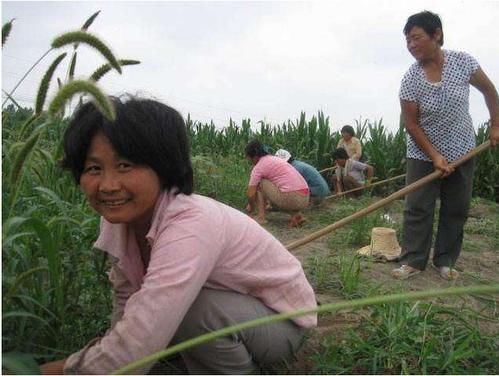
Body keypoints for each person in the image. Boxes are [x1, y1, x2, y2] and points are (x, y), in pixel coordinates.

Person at [39, 96, 317, 374]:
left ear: (163, 167)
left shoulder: (190, 223)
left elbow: (137, 345)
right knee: (154, 322)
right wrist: (117, 344)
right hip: (232, 307)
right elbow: (127, 296)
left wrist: (60, 370)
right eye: (94, 168)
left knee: (191, 313)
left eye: (125, 166)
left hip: (283, 320)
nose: (108, 185)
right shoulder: (118, 219)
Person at [391, 11, 499, 280]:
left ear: (436, 34)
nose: (411, 45)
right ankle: (413, 261)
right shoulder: (410, 79)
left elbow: (489, 91)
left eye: (416, 38)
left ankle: (446, 260)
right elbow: (412, 125)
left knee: (457, 207)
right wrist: (435, 156)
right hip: (422, 152)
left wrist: (496, 125)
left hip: (463, 148)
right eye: (407, 41)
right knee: (418, 206)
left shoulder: (464, 63)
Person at [245, 140, 310, 227]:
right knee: (280, 187)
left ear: (254, 156)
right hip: (305, 198)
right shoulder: (275, 159)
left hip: (292, 197)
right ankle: (296, 216)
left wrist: (251, 207)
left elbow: (251, 193)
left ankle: (261, 217)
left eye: (248, 157)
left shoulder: (259, 167)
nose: (248, 160)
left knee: (261, 183)